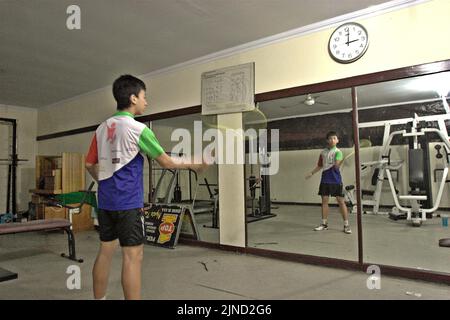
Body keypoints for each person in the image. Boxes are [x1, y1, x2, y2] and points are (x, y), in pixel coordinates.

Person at [85, 74, 206, 300]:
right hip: (128, 204)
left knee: (105, 252)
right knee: (133, 257)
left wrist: (103, 181)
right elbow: (166, 162)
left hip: (106, 202)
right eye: (144, 97)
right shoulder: (138, 129)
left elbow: (89, 164)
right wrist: (195, 164)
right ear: (133, 98)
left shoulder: (102, 128)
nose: (146, 102)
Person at [305, 131, 352, 234]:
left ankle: (346, 225)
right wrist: (311, 173)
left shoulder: (338, 152)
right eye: (330, 138)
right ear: (327, 140)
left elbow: (336, 167)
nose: (332, 140)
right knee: (324, 201)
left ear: (337, 140)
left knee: (341, 201)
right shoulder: (323, 152)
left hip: (335, 180)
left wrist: (339, 162)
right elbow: (320, 165)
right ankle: (324, 224)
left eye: (334, 138)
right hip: (325, 179)